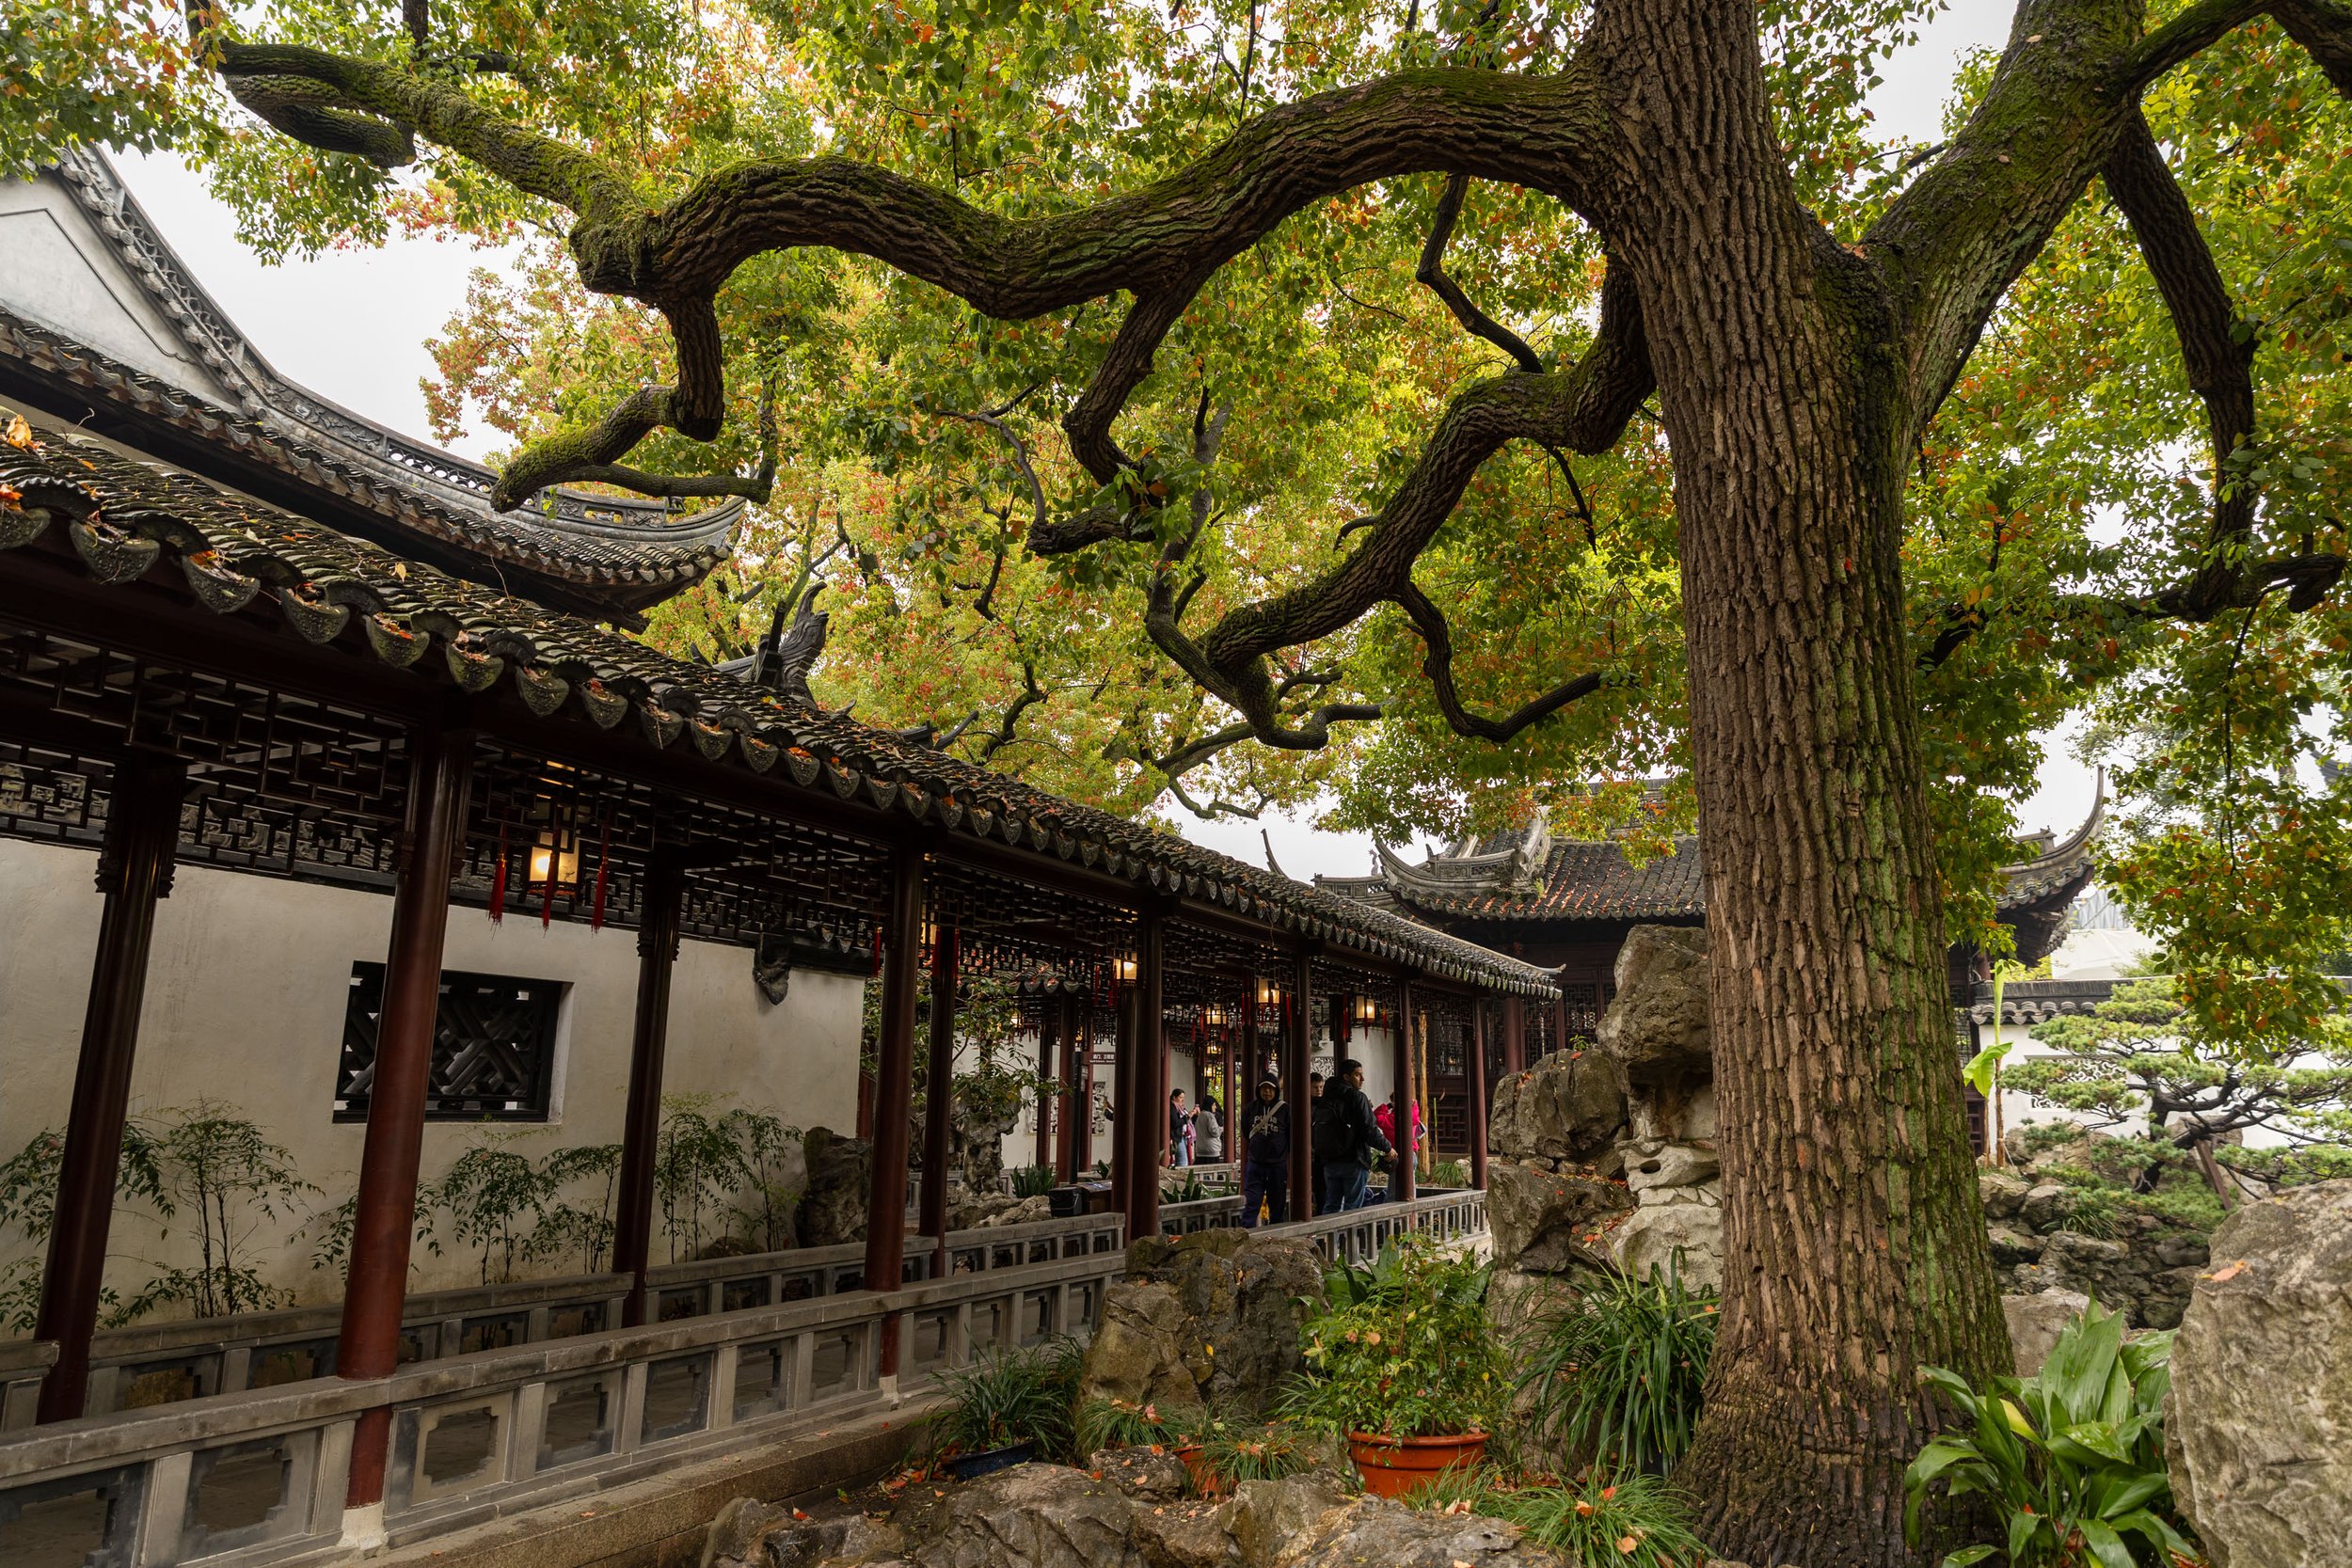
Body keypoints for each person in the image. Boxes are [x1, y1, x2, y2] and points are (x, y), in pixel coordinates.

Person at [1312, 1059, 1391, 1214]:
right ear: (1346, 1077)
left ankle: (1327, 1239)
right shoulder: (1357, 1097)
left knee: (1332, 1205)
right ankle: (1346, 1239)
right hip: (1354, 1160)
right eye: (1357, 1075)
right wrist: (1387, 1148)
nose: (1362, 1079)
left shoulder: (1325, 1099)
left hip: (1330, 1162)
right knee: (1352, 1209)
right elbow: (1369, 1129)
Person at [1239, 1080, 1288, 1227]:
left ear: (1276, 1091)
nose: (1267, 1092)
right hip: (1255, 1163)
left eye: (1271, 1089)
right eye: (1264, 1088)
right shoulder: (1250, 1108)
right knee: (1252, 1201)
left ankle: (1276, 1235)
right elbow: (1246, 1131)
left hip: (1277, 1165)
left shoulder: (1285, 1110)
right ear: (1258, 1090)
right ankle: (1247, 1233)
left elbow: (1290, 1134)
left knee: (1277, 1203)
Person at [1306, 1071, 1327, 1212]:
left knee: (1323, 1191)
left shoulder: (1326, 1105)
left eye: (1321, 1087)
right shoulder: (1304, 1106)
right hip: (1309, 1153)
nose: (1319, 1091)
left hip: (1323, 1154)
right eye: (1315, 1087)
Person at [1195, 1093, 1225, 1164]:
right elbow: (1215, 1132)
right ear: (1209, 1105)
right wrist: (1221, 1129)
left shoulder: (1200, 1115)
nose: (1215, 1107)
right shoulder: (1210, 1116)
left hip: (1200, 1149)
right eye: (1214, 1105)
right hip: (1211, 1149)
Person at [1167, 1088, 1191, 1167]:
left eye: (1183, 1098)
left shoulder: (1181, 1107)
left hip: (1182, 1135)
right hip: (1176, 1136)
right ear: (1174, 1097)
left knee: (1181, 1159)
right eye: (1180, 1097)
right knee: (1183, 1161)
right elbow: (1175, 1122)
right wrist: (1186, 1117)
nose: (1182, 1100)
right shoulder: (1172, 1107)